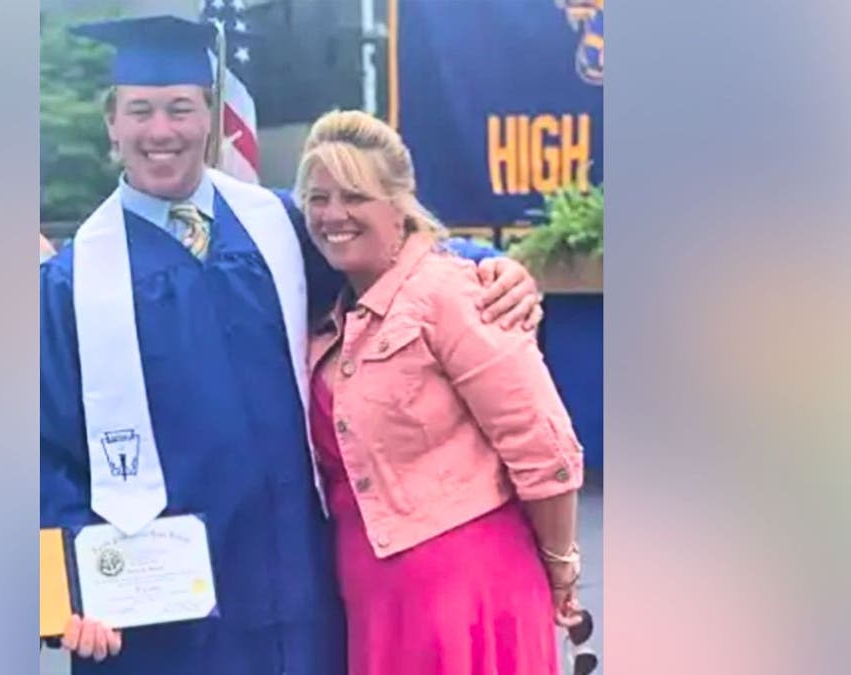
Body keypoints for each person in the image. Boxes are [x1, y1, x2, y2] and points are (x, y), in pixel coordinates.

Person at [40, 16, 544, 675]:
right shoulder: (72, 282)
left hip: (298, 583)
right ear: (112, 122)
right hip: (161, 617)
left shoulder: (276, 225)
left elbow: (386, 254)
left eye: (180, 108)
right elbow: (42, 454)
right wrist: (66, 597)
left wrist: (490, 267)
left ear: (211, 117)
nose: (160, 130)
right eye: (140, 110)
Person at [295, 109, 585, 675]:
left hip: (468, 590)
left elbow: (543, 449)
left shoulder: (453, 293)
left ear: (398, 204)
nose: (332, 215)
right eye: (317, 198)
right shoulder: (333, 310)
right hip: (372, 592)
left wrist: (560, 566)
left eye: (355, 196)